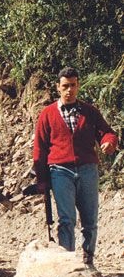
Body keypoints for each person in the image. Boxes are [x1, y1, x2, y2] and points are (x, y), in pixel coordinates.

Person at [32, 66, 118, 266]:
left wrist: (109, 142)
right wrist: (42, 180)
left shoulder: (89, 112)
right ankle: (67, 264)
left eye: (73, 85)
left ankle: (88, 261)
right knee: (66, 220)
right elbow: (40, 149)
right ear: (58, 88)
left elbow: (107, 132)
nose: (69, 90)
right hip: (60, 171)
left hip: (88, 170)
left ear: (78, 85)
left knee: (90, 221)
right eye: (65, 86)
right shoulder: (47, 114)